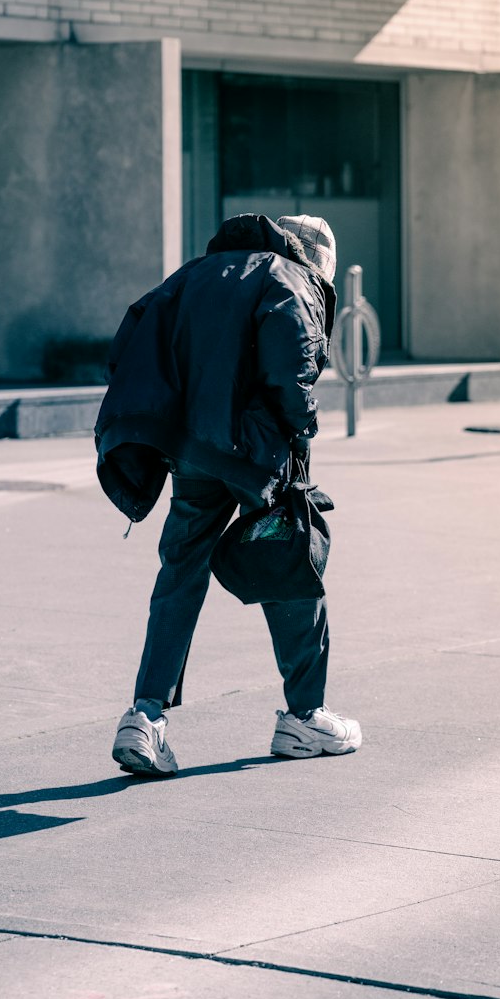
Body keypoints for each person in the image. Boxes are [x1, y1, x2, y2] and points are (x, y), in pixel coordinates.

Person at [95, 212, 362, 778]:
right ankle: (305, 715)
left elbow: (133, 335)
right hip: (258, 450)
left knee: (180, 572)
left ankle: (144, 717)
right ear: (317, 261)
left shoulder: (200, 271)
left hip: (192, 447)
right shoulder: (292, 276)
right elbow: (293, 362)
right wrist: (301, 428)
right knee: (290, 561)